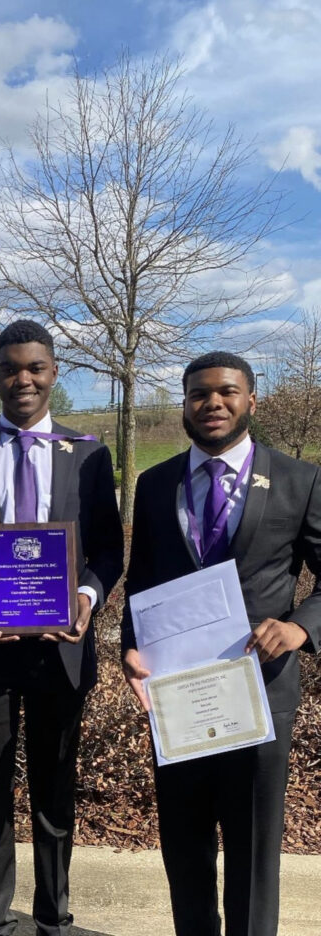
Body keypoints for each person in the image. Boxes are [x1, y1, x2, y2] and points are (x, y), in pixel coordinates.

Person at [0, 320, 123, 936]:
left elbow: (109, 551)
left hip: (60, 650)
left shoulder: (89, 455)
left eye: (35, 368)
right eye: (11, 368)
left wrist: (88, 597)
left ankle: (54, 916)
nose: (23, 380)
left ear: (54, 372)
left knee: (54, 791)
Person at [122, 351, 321, 936]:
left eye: (227, 392)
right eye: (199, 394)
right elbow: (142, 582)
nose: (213, 403)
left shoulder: (298, 479)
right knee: (183, 847)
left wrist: (299, 627)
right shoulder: (155, 484)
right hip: (178, 695)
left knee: (254, 851)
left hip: (260, 692)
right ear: (184, 404)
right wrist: (129, 649)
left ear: (250, 400)